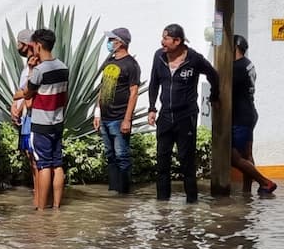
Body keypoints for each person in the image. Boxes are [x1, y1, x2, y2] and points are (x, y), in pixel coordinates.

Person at [148, 24, 219, 203]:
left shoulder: (194, 58)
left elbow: (213, 74)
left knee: (186, 161)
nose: (162, 42)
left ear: (177, 41)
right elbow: (154, 83)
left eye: (166, 38)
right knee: (162, 161)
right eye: (162, 38)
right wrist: (152, 108)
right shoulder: (159, 56)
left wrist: (214, 96)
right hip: (165, 116)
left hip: (185, 117)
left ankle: (191, 204)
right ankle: (162, 204)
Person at [13, 29, 69, 210]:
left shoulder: (39, 70)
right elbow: (65, 96)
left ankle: (42, 210)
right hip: (58, 121)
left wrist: (17, 94)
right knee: (57, 164)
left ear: (37, 45)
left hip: (41, 124)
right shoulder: (63, 67)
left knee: (43, 165)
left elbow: (28, 92)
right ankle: (57, 206)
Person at [93, 28, 141, 194]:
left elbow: (134, 92)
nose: (110, 42)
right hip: (105, 117)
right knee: (110, 155)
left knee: (122, 156)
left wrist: (127, 119)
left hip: (119, 118)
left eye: (112, 39)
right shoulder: (109, 62)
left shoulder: (131, 65)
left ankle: (124, 192)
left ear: (120, 42)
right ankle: (113, 189)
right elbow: (102, 87)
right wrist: (97, 112)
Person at [231, 35, 276, 194]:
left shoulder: (236, 68)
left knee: (233, 157)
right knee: (247, 155)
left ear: (234, 47)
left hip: (241, 116)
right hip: (249, 112)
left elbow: (223, 89)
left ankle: (265, 182)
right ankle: (246, 191)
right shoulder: (248, 64)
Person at [10, 29, 40, 208]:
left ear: (25, 44)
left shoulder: (35, 66)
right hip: (24, 115)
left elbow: (30, 90)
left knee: (35, 157)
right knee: (30, 157)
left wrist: (18, 104)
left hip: (31, 115)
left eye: (18, 43)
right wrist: (15, 106)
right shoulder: (26, 65)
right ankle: (37, 193)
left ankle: (40, 196)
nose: (17, 47)